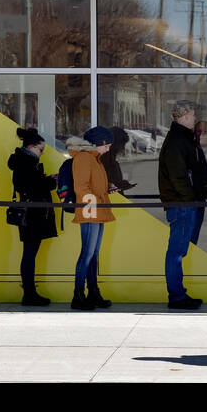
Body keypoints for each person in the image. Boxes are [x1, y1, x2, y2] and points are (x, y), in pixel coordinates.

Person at [158, 100, 207, 309]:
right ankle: (177, 296)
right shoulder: (177, 140)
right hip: (182, 204)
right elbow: (178, 176)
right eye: (193, 114)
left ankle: (179, 294)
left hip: (188, 202)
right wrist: (190, 198)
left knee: (181, 250)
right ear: (184, 116)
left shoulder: (184, 138)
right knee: (177, 251)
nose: (195, 118)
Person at [8, 127, 57, 306]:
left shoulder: (24, 161)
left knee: (29, 253)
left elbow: (31, 184)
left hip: (31, 214)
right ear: (30, 147)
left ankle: (30, 292)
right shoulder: (25, 162)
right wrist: (51, 181)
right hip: (32, 216)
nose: (42, 154)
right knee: (29, 254)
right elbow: (32, 186)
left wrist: (47, 179)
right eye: (40, 149)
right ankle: (29, 294)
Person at [70, 126, 116, 311]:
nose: (108, 149)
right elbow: (81, 188)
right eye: (107, 145)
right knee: (87, 254)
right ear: (100, 143)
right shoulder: (83, 158)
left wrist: (108, 187)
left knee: (93, 254)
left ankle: (93, 292)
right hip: (90, 211)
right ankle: (78, 295)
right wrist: (96, 203)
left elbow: (92, 186)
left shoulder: (95, 159)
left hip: (96, 209)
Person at [191, 119, 207, 246]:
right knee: (190, 238)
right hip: (195, 198)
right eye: (199, 131)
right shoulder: (193, 149)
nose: (201, 134)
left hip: (202, 198)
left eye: (205, 131)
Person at [103, 126, 135, 193]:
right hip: (110, 201)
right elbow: (102, 186)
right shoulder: (103, 161)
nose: (123, 148)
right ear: (115, 144)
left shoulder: (112, 160)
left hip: (114, 200)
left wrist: (120, 185)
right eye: (122, 144)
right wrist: (118, 186)